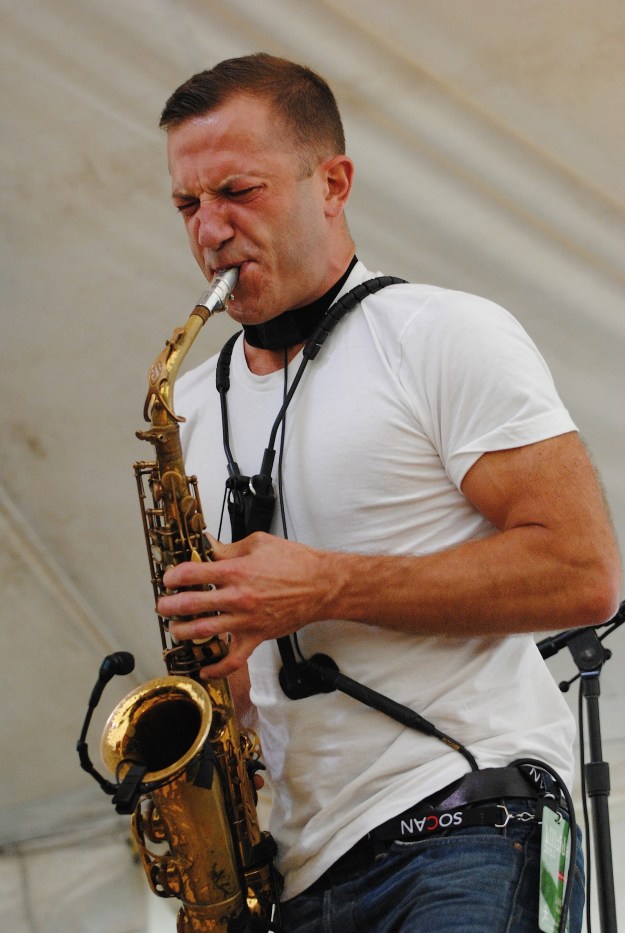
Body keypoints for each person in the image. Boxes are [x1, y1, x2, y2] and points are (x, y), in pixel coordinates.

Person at [155, 53, 621, 933]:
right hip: (296, 864)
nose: (209, 229)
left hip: (465, 808)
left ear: (332, 182)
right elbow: (248, 667)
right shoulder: (188, 400)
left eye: (237, 192)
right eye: (188, 204)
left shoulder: (442, 334)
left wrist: (326, 586)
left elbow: (583, 570)